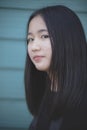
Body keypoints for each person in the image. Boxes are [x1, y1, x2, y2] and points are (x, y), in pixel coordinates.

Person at [24, 5, 87, 130]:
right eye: (30, 39)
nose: (33, 47)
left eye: (44, 36)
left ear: (68, 39)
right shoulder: (45, 91)